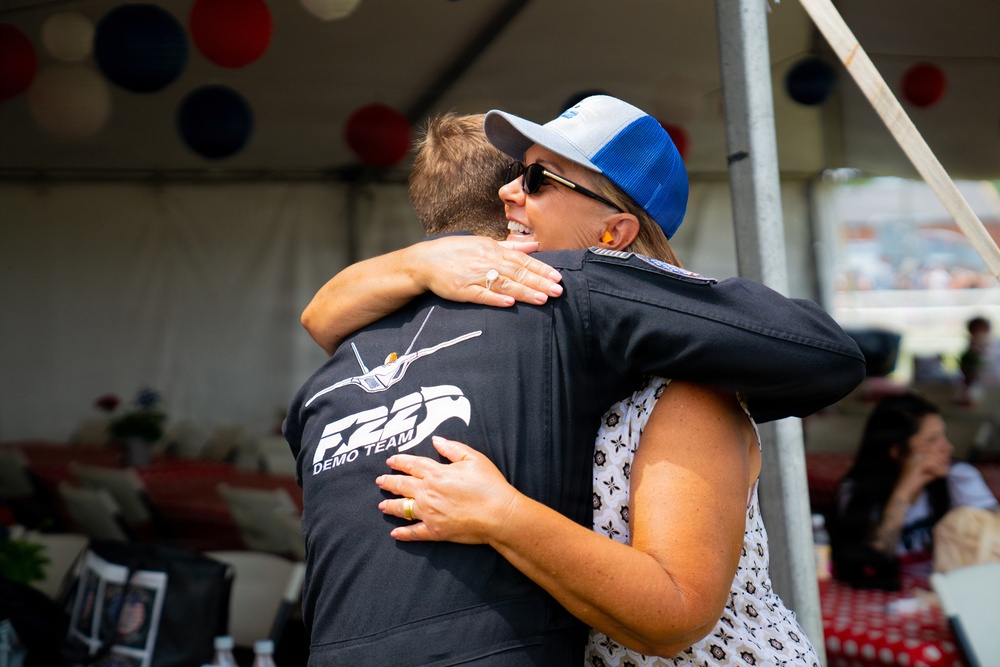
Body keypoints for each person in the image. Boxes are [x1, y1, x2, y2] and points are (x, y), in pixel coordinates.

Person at [284, 100, 864, 665]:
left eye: (537, 179)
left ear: (614, 233)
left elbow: (678, 616)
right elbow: (320, 317)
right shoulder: (559, 375)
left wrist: (502, 516)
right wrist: (415, 264)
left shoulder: (687, 392)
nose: (509, 191)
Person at [830, 392, 998, 584]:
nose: (948, 447)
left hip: (948, 593)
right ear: (897, 452)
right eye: (932, 440)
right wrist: (904, 490)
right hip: (883, 597)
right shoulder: (856, 491)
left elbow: (993, 538)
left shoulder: (958, 478)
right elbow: (872, 561)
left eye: (944, 436)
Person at [959, 315, 1000, 390]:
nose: (978, 333)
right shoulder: (969, 353)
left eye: (981, 329)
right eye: (975, 330)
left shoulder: (997, 345)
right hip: (981, 390)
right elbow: (966, 374)